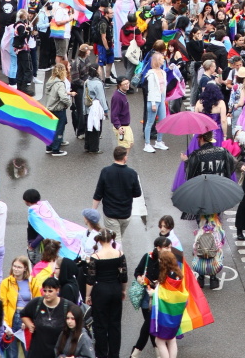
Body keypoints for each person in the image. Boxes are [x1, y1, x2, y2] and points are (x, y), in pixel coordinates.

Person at [84, 230, 127, 358]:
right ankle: (114, 354)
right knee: (115, 323)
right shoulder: (119, 254)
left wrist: (87, 296)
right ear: (111, 239)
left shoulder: (96, 257)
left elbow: (90, 280)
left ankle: (102, 354)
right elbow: (124, 276)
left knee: (100, 324)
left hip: (100, 291)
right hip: (115, 289)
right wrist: (122, 290)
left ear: (99, 240)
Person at [91, 146, 142, 244]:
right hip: (126, 213)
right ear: (125, 157)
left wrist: (93, 210)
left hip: (110, 213)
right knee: (118, 238)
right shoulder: (132, 173)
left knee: (115, 240)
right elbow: (137, 193)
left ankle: (117, 256)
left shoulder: (106, 171)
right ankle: (118, 256)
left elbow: (98, 193)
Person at [148, 251, 189, 358]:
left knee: (159, 341)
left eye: (160, 260)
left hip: (165, 315)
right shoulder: (178, 275)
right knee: (172, 339)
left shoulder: (167, 277)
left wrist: (153, 293)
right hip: (176, 313)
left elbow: (164, 296)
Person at [0, 256, 41, 358]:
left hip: (27, 318)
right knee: (11, 353)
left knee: (29, 351)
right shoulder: (6, 283)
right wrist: (5, 325)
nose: (16, 269)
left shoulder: (33, 282)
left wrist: (30, 321)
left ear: (25, 268)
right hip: (12, 318)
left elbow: (38, 303)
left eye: (19, 267)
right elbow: (2, 304)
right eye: (14, 266)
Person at [20, 277, 72, 358]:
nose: (46, 294)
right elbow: (23, 314)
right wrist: (29, 324)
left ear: (57, 290)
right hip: (37, 352)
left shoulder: (67, 305)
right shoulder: (36, 302)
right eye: (44, 290)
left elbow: (78, 318)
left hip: (57, 352)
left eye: (50, 291)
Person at [44, 64, 74, 158]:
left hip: (49, 108)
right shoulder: (60, 84)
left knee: (51, 129)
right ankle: (56, 149)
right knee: (59, 129)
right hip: (58, 109)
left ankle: (49, 147)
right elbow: (63, 97)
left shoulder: (51, 81)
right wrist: (69, 103)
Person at [191, 214, 224, 291]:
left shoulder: (199, 234)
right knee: (220, 253)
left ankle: (201, 278)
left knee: (196, 253)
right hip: (214, 266)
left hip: (198, 266)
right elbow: (219, 247)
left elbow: (194, 248)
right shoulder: (215, 233)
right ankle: (213, 278)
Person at [144, 53, 169, 154]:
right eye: (162, 59)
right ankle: (147, 144)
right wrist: (153, 103)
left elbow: (164, 88)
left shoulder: (163, 72)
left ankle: (159, 141)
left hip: (161, 99)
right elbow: (150, 89)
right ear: (157, 60)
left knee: (163, 121)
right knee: (150, 122)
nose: (163, 60)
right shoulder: (151, 73)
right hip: (153, 100)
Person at [110, 78, 134, 150]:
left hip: (125, 125)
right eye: (125, 84)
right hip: (122, 126)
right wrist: (118, 127)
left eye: (128, 83)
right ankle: (121, 161)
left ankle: (123, 161)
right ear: (119, 85)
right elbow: (114, 114)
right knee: (124, 148)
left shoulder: (122, 94)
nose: (127, 85)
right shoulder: (117, 97)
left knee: (130, 144)